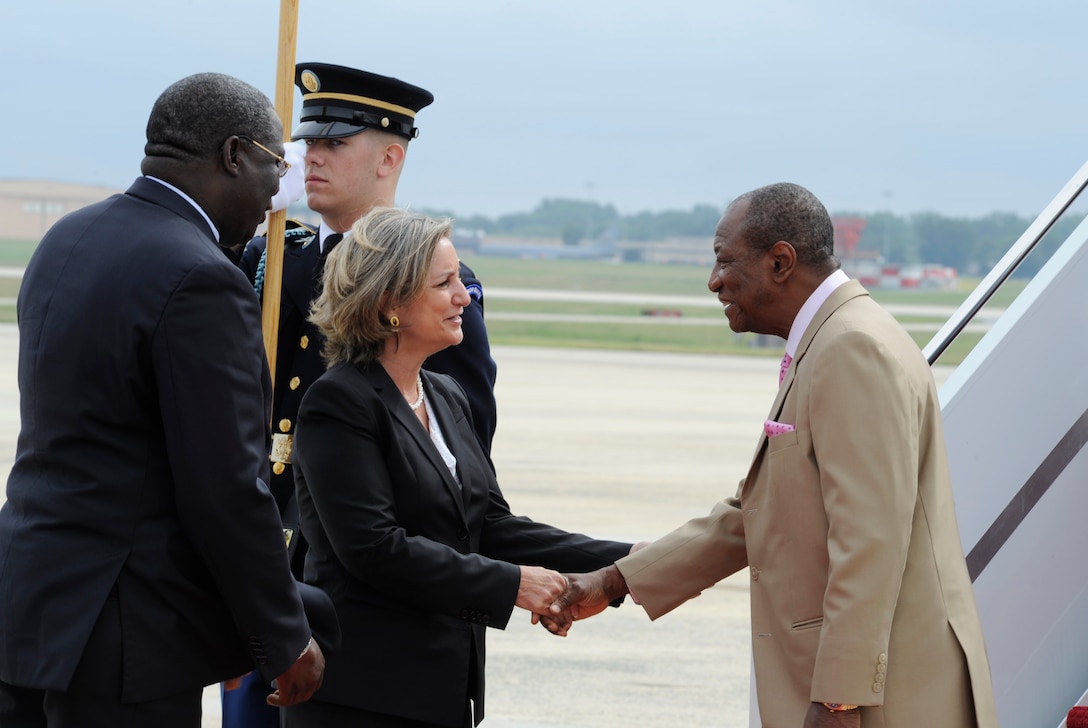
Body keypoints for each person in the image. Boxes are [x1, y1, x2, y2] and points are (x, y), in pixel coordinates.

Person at [547, 183, 999, 728]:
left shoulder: (851, 348)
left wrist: (839, 699)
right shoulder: (832, 338)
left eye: (724, 261)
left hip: (888, 699)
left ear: (780, 261)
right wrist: (614, 580)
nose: (714, 282)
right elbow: (758, 512)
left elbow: (870, 538)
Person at [0, 73, 326, 727]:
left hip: (25, 609)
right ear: (234, 155)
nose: (274, 195)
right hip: (124, 631)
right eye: (273, 166)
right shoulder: (200, 276)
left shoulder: (68, 239)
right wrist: (281, 636)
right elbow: (226, 488)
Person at [282, 207, 632, 727]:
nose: (464, 296)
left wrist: (629, 559)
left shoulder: (444, 395)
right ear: (388, 305)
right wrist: (512, 584)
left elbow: (489, 526)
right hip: (363, 696)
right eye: (444, 283)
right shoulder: (339, 402)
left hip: (442, 690)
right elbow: (374, 549)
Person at [228, 61, 498, 728]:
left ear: (390, 158)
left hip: (354, 573)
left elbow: (453, 441)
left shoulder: (436, 282)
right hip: (263, 556)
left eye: (333, 144)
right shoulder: (267, 258)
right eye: (307, 144)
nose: (310, 157)